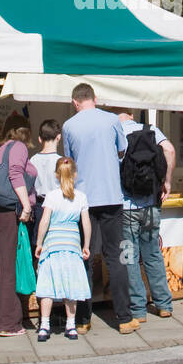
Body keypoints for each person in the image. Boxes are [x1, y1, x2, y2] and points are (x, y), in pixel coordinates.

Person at [62, 83, 136, 334]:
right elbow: (122, 150)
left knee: (85, 257)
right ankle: (124, 318)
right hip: (112, 196)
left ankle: (83, 320)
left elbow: (69, 163)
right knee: (116, 257)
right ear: (95, 98)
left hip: (84, 199)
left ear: (75, 102)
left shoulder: (69, 125)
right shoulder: (112, 120)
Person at [115, 108, 175, 322]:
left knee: (129, 257)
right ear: (131, 112)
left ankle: (138, 310)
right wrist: (166, 182)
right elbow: (169, 150)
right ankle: (164, 304)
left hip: (125, 206)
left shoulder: (113, 132)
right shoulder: (150, 129)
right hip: (150, 203)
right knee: (153, 254)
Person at [0, 117, 36, 337]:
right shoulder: (19, 147)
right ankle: (8, 323)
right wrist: (26, 205)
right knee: (8, 267)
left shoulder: (0, 150)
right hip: (8, 213)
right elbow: (15, 173)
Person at [34, 157, 93, 341]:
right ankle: (71, 325)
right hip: (72, 246)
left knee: (48, 286)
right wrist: (86, 245)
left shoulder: (51, 196)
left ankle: (44, 325)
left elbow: (44, 221)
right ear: (75, 175)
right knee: (71, 285)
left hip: (53, 245)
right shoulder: (81, 197)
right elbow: (86, 223)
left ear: (56, 175)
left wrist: (39, 242)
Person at [27, 119, 63, 262]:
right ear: (58, 137)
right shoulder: (62, 161)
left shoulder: (32, 159)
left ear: (39, 139)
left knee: (38, 245)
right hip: (57, 207)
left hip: (38, 207)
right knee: (55, 244)